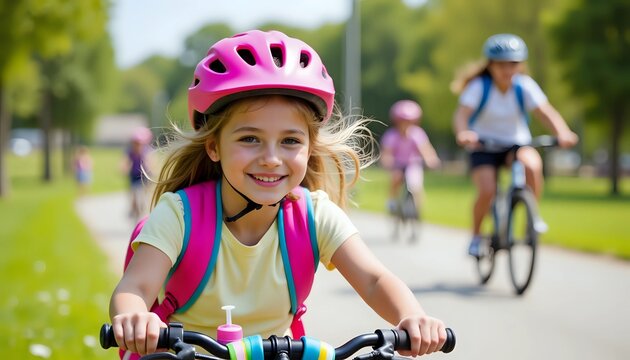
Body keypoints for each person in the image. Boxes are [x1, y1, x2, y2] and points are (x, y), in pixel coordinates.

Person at [109, 30, 447, 358]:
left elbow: (374, 279)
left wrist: (411, 315)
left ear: (309, 147)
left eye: (290, 141)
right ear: (214, 146)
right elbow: (136, 287)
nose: (271, 159)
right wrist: (135, 317)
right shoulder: (180, 215)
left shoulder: (314, 215)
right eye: (250, 139)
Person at [451, 33, 578, 257]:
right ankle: (476, 236)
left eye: (513, 64)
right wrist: (463, 133)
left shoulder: (524, 86)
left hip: (516, 144)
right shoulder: (479, 87)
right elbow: (461, 115)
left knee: (533, 166)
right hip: (483, 146)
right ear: (490, 65)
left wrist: (563, 132)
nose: (507, 70)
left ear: (520, 65)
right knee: (487, 190)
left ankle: (531, 218)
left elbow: (545, 112)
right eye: (501, 64)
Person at [380, 100, 441, 218]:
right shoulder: (392, 135)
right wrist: (387, 161)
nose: (406, 124)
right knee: (396, 178)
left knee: (416, 185)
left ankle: (417, 209)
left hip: (413, 164)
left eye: (409, 121)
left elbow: (426, 149)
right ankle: (392, 200)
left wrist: (431, 160)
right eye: (403, 121)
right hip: (397, 164)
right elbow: (387, 152)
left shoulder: (417, 134)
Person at [122, 127, 154, 221]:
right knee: (133, 194)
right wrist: (124, 168)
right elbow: (125, 162)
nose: (137, 145)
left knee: (143, 195)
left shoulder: (146, 151)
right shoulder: (130, 152)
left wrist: (150, 167)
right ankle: (133, 208)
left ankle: (142, 209)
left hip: (144, 176)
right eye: (135, 143)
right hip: (133, 176)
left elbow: (150, 162)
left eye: (139, 143)